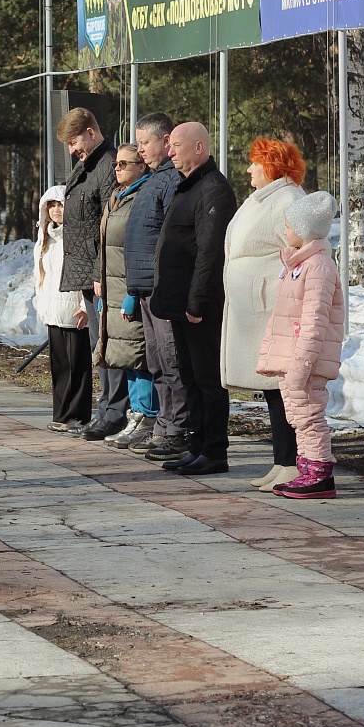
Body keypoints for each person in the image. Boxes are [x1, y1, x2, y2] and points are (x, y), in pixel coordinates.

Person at [221, 138, 308, 493]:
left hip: (273, 307)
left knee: (280, 389)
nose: (247, 170)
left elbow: (305, 250)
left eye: (254, 163)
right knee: (272, 390)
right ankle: (282, 462)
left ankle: (291, 462)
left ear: (270, 165)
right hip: (257, 308)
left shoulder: (288, 200)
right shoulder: (267, 198)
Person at [150, 122, 236, 477]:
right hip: (179, 304)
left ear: (199, 147)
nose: (169, 152)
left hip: (199, 307)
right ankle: (198, 445)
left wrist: (196, 302)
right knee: (189, 377)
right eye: (168, 146)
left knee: (207, 380)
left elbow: (209, 252)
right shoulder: (188, 187)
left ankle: (214, 450)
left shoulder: (213, 189)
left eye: (176, 146)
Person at [257, 192, 344, 500]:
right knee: (298, 416)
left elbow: (314, 322)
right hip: (292, 358)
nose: (285, 230)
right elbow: (282, 315)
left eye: (289, 225)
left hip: (304, 360)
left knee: (309, 415)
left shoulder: (318, 267)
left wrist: (301, 363)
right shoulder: (298, 265)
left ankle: (319, 472)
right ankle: (306, 468)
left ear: (306, 230)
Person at [55, 107, 128, 440]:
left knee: (108, 346)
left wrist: (100, 273)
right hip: (90, 274)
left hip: (103, 276)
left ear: (90, 131)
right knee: (99, 347)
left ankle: (114, 413)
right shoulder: (88, 165)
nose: (71, 150)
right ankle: (106, 411)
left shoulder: (108, 166)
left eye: (73, 142)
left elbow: (109, 226)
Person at [125, 112, 191, 461]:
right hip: (146, 287)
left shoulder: (171, 180)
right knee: (156, 361)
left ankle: (177, 428)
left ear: (166, 141)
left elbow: (171, 237)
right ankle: (165, 424)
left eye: (144, 143)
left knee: (171, 358)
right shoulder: (154, 179)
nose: (140, 151)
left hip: (162, 287)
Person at [93, 145, 159, 450]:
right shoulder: (118, 196)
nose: (117, 168)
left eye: (124, 163)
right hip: (113, 288)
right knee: (125, 356)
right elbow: (105, 244)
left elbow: (140, 247)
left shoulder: (142, 197)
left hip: (131, 288)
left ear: (141, 166)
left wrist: (133, 293)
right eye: (115, 164)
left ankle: (146, 416)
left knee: (138, 355)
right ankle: (136, 415)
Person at [33, 186, 92, 431]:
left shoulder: (78, 237)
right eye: (52, 205)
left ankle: (76, 415)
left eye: (61, 205)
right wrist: (41, 304)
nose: (57, 210)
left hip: (73, 311)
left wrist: (84, 305)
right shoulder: (44, 239)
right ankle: (61, 414)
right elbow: (40, 276)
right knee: (59, 365)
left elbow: (86, 271)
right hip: (52, 311)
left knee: (77, 364)